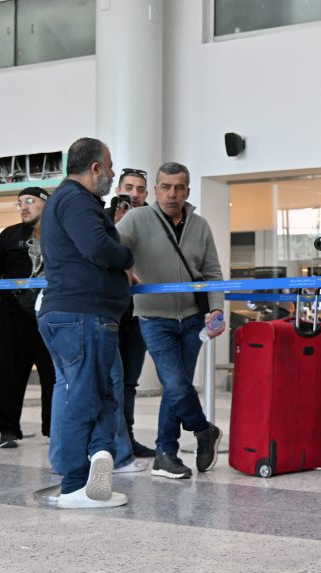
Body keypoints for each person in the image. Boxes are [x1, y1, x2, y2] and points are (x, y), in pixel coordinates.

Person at [37, 137, 131, 508]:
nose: (112, 173)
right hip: (82, 315)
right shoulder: (76, 200)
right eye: (109, 166)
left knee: (97, 393)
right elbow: (96, 247)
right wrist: (126, 256)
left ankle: (99, 457)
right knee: (84, 398)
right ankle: (75, 485)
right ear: (94, 168)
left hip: (77, 315)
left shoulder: (66, 200)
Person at [116, 162, 225, 480]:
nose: (171, 194)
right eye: (165, 187)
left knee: (176, 389)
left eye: (178, 187)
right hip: (154, 316)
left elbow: (212, 271)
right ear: (156, 190)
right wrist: (124, 268)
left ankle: (166, 453)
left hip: (193, 318)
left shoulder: (200, 226)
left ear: (187, 191)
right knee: (177, 384)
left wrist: (216, 309)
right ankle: (204, 430)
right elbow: (112, 248)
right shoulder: (137, 219)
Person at [0, 187, 56, 449]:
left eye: (30, 201)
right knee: (8, 375)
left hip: (48, 315)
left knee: (53, 376)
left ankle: (53, 429)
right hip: (12, 316)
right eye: (20, 202)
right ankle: (7, 430)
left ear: (45, 204)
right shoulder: (9, 235)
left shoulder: (58, 233)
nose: (24, 206)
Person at [109, 168, 155, 458]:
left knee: (129, 381)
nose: (134, 194)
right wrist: (116, 223)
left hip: (140, 312)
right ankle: (106, 441)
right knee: (108, 380)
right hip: (110, 311)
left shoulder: (154, 220)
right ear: (118, 190)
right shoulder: (103, 217)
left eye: (140, 189)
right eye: (128, 187)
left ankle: (127, 439)